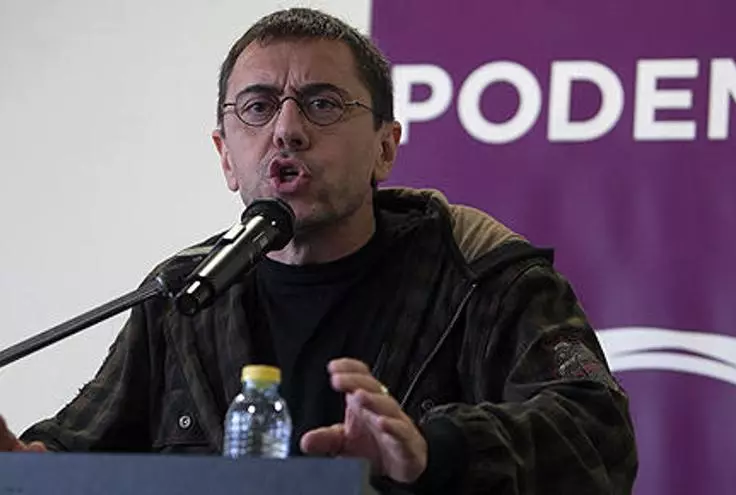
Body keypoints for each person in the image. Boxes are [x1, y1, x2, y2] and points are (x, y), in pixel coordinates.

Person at [0, 7, 637, 494]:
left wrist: (433, 450)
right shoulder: (183, 294)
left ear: (385, 147)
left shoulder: (482, 272)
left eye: (322, 103)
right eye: (257, 107)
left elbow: (598, 436)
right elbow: (80, 447)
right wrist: (23, 468)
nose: (287, 129)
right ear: (226, 156)